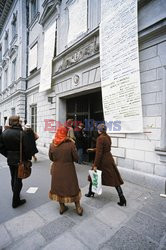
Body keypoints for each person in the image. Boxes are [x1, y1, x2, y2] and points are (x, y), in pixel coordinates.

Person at [85, 123, 127, 206]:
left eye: (98, 129)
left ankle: (91, 193)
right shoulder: (107, 137)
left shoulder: (100, 138)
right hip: (109, 159)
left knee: (93, 175)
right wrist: (94, 149)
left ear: (100, 130)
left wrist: (95, 165)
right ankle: (122, 198)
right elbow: (105, 148)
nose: (97, 130)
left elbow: (99, 153)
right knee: (115, 178)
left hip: (102, 161)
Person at [49, 126, 83, 215]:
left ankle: (62, 207)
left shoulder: (52, 144)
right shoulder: (71, 144)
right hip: (69, 169)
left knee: (59, 187)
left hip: (57, 169)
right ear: (66, 133)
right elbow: (76, 158)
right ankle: (78, 207)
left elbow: (51, 158)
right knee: (73, 186)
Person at [0, 116, 32, 208]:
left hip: (10, 159)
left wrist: (8, 154)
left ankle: (16, 194)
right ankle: (15, 201)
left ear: (10, 122)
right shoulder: (22, 133)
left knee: (13, 178)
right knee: (18, 180)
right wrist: (28, 159)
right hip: (20, 160)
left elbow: (1, 147)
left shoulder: (4, 133)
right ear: (18, 122)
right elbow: (27, 149)